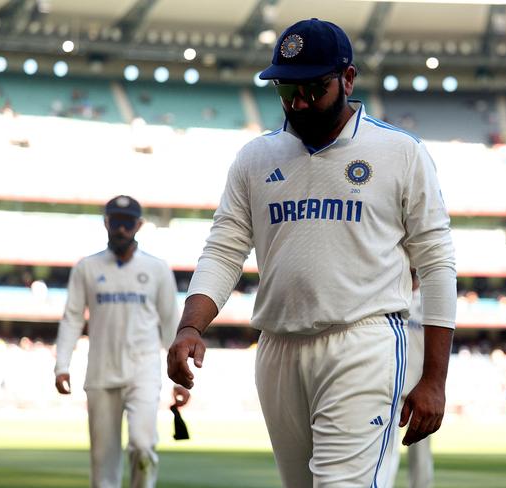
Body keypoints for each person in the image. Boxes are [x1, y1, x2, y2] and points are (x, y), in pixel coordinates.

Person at [167, 18, 456, 487]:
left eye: (313, 88)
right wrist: (190, 326)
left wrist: (435, 378)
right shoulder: (254, 159)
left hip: (363, 341)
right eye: (286, 90)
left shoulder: (400, 152)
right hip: (278, 347)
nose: (298, 102)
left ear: (347, 79)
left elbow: (437, 264)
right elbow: (223, 250)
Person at [54, 195, 189, 488]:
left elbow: (171, 326)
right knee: (103, 463)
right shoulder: (87, 268)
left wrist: (180, 379)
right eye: (116, 222)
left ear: (139, 225)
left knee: (142, 445)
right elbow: (72, 318)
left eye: (128, 223)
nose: (121, 230)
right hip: (101, 374)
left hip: (143, 372)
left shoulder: (157, 269)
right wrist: (61, 365)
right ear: (106, 223)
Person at [388, 270, 435, 488]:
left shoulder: (428, 303)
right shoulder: (389, 297)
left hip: (419, 390)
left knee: (421, 456)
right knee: (385, 452)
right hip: (389, 386)